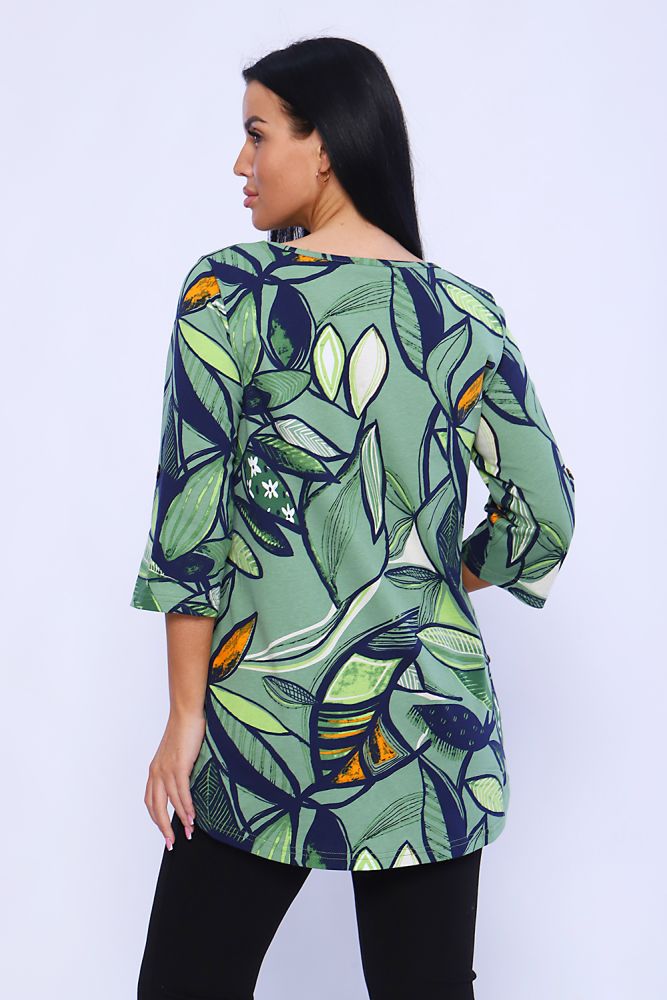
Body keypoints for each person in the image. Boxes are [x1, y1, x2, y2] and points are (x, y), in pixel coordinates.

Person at [130, 35, 576, 1000]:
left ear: (323, 145)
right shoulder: (463, 314)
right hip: (431, 728)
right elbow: (544, 516)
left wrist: (184, 715)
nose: (240, 163)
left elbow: (190, 527)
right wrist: (437, 572)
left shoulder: (229, 294)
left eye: (257, 134)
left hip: (258, 730)